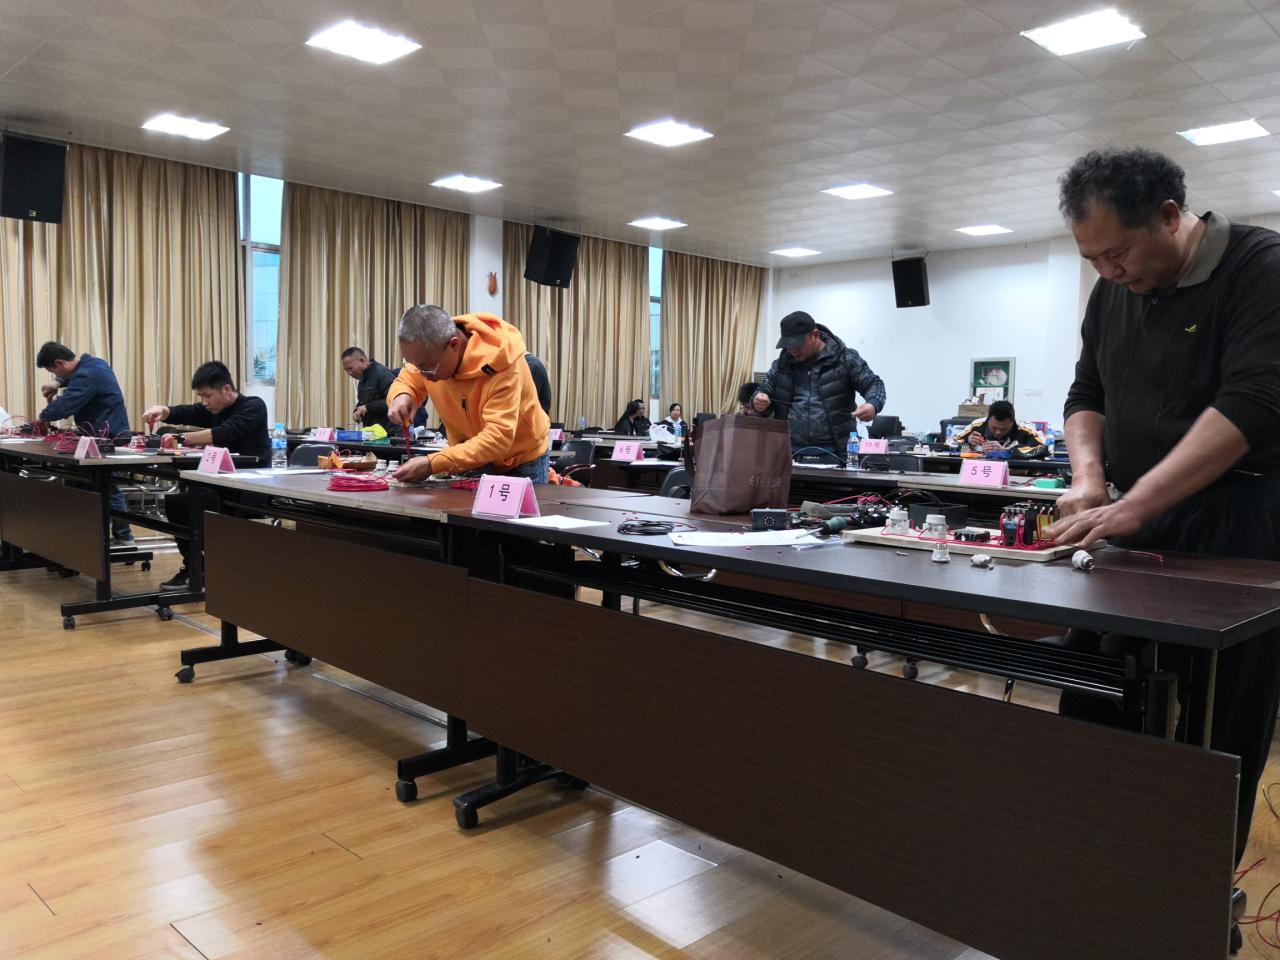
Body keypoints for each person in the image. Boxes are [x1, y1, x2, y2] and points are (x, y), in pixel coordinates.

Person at [1044, 148, 1280, 933]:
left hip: (1244, 527)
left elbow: (1254, 402)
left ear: (1172, 217)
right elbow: (1087, 392)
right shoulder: (1112, 293)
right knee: (1092, 686)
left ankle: (1196, 899)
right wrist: (1090, 478)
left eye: (1118, 253)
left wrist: (1137, 501)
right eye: (1091, 259)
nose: (1107, 272)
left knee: (1220, 722)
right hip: (1135, 522)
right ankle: (1094, 871)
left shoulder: (1259, 268)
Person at [142, 362, 270, 590]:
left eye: (207, 395)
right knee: (177, 502)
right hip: (220, 483)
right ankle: (197, 566)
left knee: (191, 503)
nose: (204, 402)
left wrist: (179, 440)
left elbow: (225, 432)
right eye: (201, 396)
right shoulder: (214, 409)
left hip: (249, 487)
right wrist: (163, 410)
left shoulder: (254, 406)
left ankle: (214, 566)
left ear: (227, 390)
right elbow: (188, 411)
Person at [386, 305, 551, 483]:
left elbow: (498, 437)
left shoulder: (501, 366)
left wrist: (433, 463)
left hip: (520, 461)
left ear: (454, 345)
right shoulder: (429, 353)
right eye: (412, 363)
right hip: (467, 456)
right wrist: (401, 395)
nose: (421, 373)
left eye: (426, 367)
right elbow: (408, 380)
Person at [35, 341, 134, 545]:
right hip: (102, 436)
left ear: (59, 363)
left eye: (53, 370)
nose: (54, 374)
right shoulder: (95, 364)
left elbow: (65, 405)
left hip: (108, 438)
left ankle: (125, 538)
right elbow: (75, 377)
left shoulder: (86, 375)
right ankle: (92, 536)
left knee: (107, 486)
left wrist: (42, 417)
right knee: (87, 483)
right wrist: (57, 382)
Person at [753, 311, 886, 455]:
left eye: (797, 344)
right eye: (788, 345)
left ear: (815, 335)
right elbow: (763, 389)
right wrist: (759, 400)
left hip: (835, 451)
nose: (792, 350)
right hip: (789, 451)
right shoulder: (781, 365)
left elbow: (874, 384)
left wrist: (873, 405)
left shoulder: (844, 359)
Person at [950, 400, 1047, 458]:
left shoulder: (1026, 429)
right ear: (988, 420)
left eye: (1004, 429)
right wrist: (968, 443)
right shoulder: (977, 425)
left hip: (1014, 471)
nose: (998, 432)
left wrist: (1006, 451)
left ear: (1013, 422)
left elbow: (1043, 448)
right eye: (994, 427)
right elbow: (949, 443)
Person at [341, 347, 397, 435]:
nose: (349, 373)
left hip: (388, 433)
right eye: (346, 370)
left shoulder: (382, 374)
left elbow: (394, 401)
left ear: (362, 360)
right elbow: (363, 403)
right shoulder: (362, 380)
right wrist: (357, 412)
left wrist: (368, 407)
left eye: (350, 368)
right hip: (372, 434)